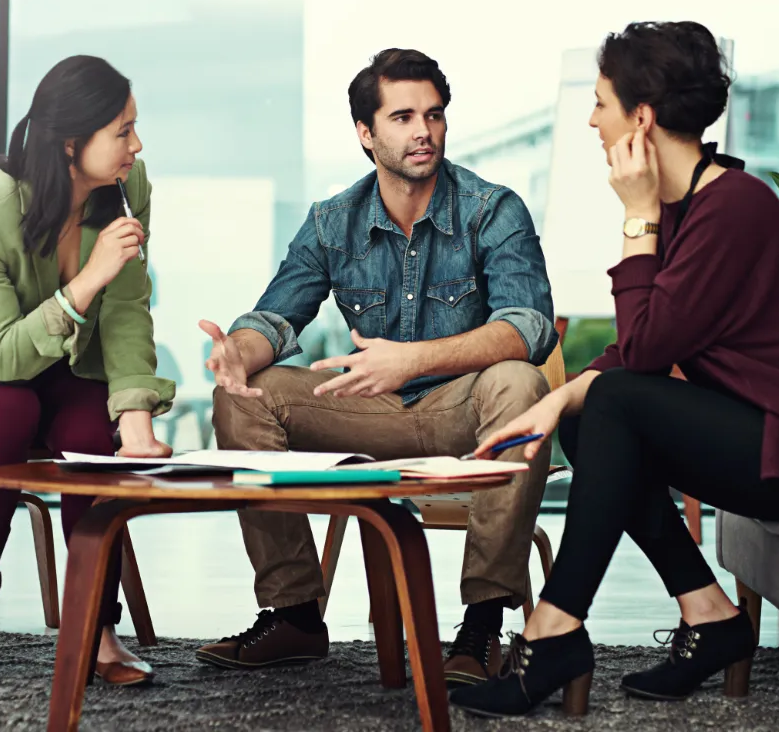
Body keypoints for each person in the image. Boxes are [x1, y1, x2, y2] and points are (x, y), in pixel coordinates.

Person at [448, 21, 779, 718]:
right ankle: (711, 617)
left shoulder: (730, 209)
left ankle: (554, 628)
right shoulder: (693, 205)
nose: (590, 117)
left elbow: (640, 354)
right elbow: (647, 347)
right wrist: (555, 401)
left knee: (610, 405)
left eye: (601, 101)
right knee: (591, 415)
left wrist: (636, 218)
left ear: (640, 117)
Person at [195, 48, 558, 687]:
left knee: (521, 382)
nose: (424, 131)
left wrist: (412, 360)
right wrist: (237, 354)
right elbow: (278, 317)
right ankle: (295, 616)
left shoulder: (492, 209)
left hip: (464, 416)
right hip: (366, 415)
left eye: (434, 115)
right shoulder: (333, 221)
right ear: (366, 133)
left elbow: (527, 327)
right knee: (247, 397)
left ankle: (481, 626)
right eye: (402, 117)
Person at [0, 55, 175, 691]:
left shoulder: (130, 190)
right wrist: (87, 281)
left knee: (89, 430)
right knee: (11, 408)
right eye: (123, 131)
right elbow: (4, 359)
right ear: (73, 142)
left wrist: (134, 419)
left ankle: (98, 625)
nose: (137, 144)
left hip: (68, 367)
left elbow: (128, 310)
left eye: (135, 127)